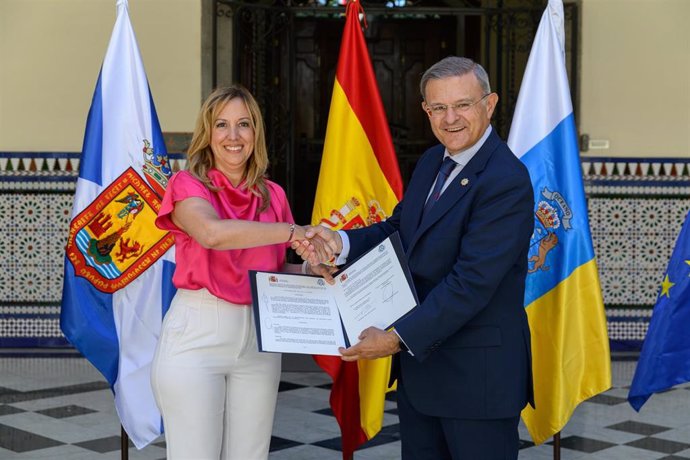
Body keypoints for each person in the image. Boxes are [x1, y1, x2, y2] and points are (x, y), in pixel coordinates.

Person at [296, 56, 535, 459]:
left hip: (478, 383)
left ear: (489, 104)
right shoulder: (431, 162)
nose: (450, 118)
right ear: (425, 110)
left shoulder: (505, 180)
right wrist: (338, 242)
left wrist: (394, 338)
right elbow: (400, 230)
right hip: (423, 377)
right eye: (438, 107)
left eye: (463, 104)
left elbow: (471, 283)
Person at [150, 85, 323, 460]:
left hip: (260, 339)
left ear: (255, 133)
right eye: (222, 125)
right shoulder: (188, 185)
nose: (233, 136)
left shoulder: (273, 194)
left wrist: (312, 267)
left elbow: (276, 268)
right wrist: (294, 232)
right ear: (207, 135)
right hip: (197, 336)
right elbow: (212, 233)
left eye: (243, 124)